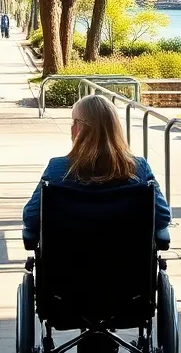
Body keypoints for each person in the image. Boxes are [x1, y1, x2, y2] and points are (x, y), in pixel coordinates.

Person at [22, 94, 171, 248]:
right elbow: (162, 217)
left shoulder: (57, 169)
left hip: (67, 267)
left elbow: (31, 217)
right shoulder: (139, 168)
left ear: (77, 129)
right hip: (129, 267)